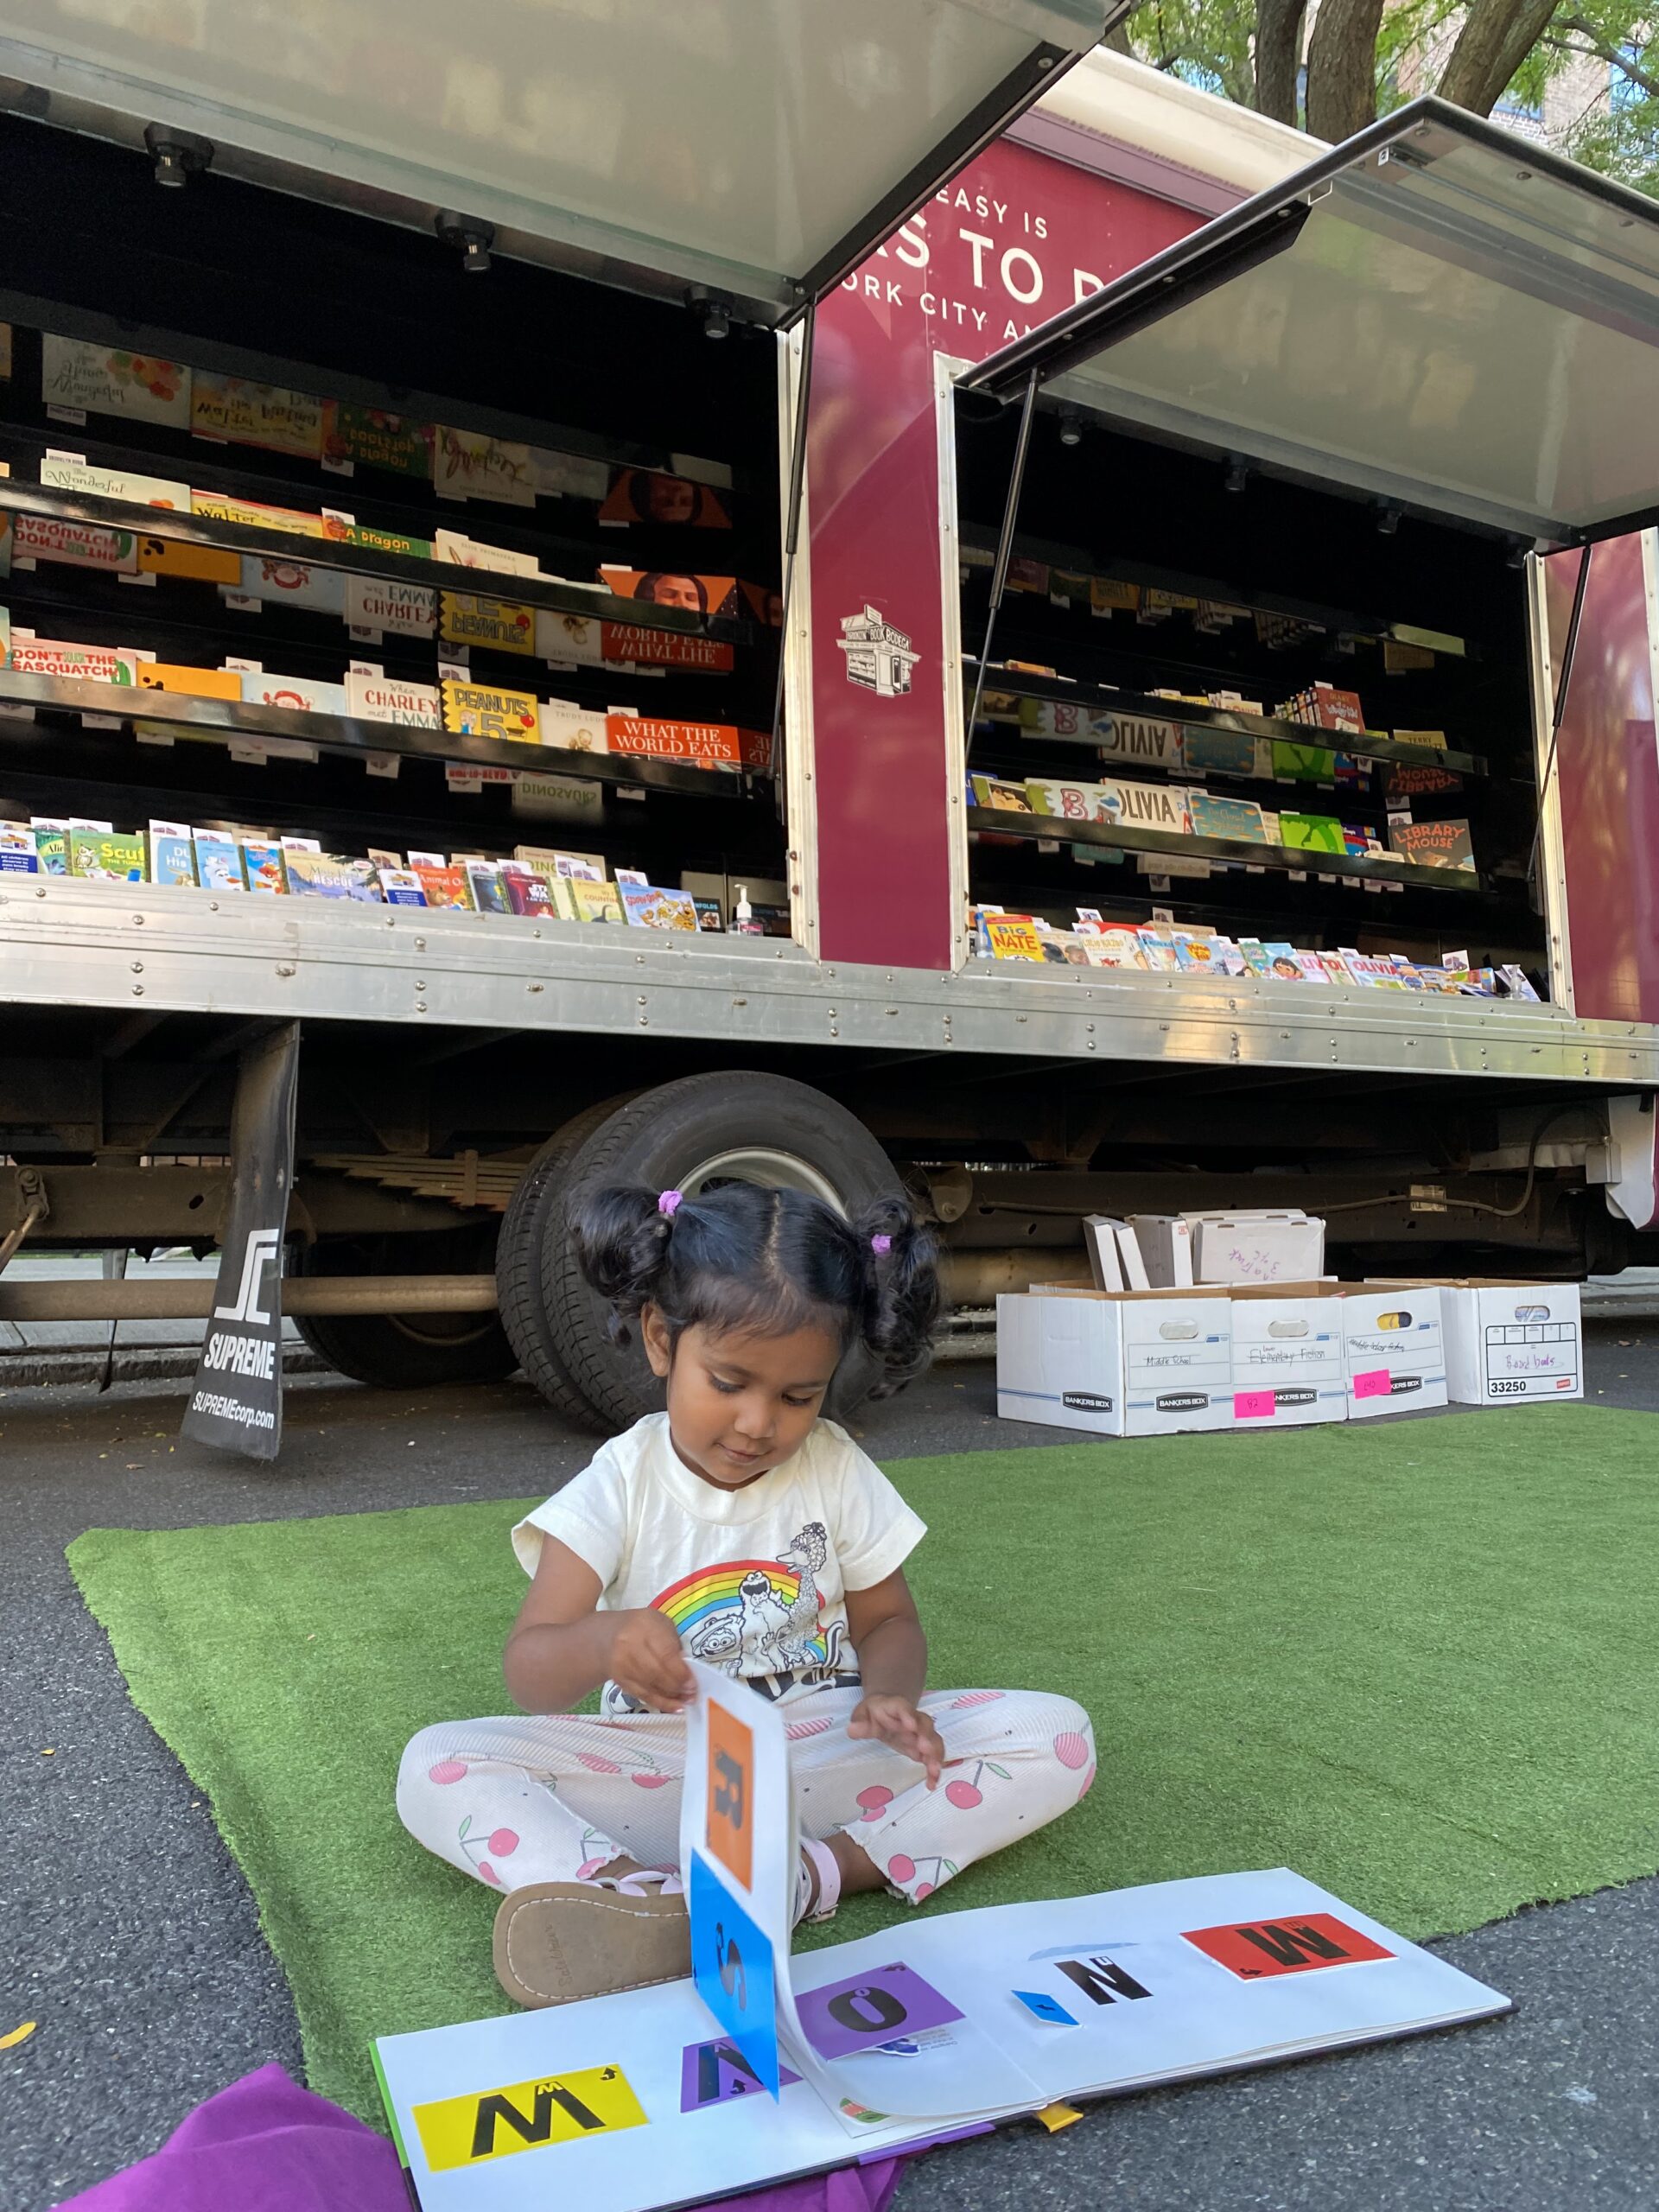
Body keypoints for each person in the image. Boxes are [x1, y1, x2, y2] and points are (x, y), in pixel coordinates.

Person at [398, 1182, 1096, 2011]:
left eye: (798, 1397)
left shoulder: (834, 1469)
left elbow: (889, 1619)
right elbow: (531, 1671)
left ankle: (809, 1878)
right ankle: (633, 1898)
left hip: (814, 1753)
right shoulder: (619, 1482)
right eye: (728, 1381)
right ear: (662, 1340)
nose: (760, 1422)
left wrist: (889, 1699)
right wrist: (604, 1640)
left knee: (1058, 1733)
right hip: (664, 1769)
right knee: (436, 1761)